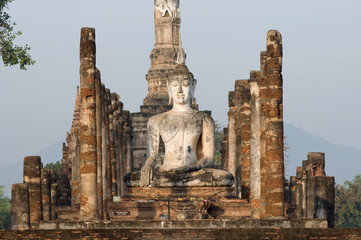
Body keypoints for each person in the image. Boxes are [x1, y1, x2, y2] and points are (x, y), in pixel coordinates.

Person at [139, 64, 233, 187]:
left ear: (193, 86)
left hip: (194, 173)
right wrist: (147, 167)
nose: (179, 91)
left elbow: (208, 159)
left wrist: (188, 168)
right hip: (167, 172)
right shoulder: (155, 121)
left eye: (185, 85)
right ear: (168, 88)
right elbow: (153, 156)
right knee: (132, 179)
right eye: (174, 86)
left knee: (226, 178)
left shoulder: (204, 119)